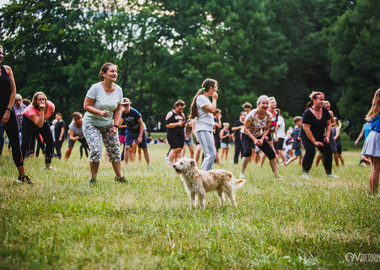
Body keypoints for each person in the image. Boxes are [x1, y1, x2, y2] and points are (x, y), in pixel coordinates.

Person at [82, 62, 126, 184]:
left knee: (115, 150)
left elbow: (118, 109)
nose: (114, 73)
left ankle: (119, 177)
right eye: (111, 71)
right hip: (92, 123)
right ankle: (93, 179)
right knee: (96, 150)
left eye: (116, 71)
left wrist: (115, 125)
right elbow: (86, 106)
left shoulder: (118, 90)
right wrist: (99, 112)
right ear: (103, 74)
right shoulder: (95, 88)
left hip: (108, 125)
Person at [0, 44, 32, 184]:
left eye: (2, 52)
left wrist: (8, 110)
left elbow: (13, 92)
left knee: (15, 142)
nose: (1, 55)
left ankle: (22, 176)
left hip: (7, 110)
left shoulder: (7, 70)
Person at [239, 95, 282, 178]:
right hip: (246, 134)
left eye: (267, 103)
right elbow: (246, 129)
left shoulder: (269, 115)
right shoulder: (251, 115)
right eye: (263, 103)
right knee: (247, 152)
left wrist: (262, 139)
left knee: (271, 154)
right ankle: (242, 173)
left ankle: (276, 174)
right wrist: (254, 139)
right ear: (258, 105)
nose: (265, 105)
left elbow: (266, 129)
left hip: (258, 134)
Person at [301, 91, 338, 179]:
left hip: (320, 134)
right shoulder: (307, 113)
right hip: (307, 135)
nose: (322, 101)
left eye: (323, 99)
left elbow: (329, 124)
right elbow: (306, 129)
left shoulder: (325, 110)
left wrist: (327, 136)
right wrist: (314, 142)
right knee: (310, 151)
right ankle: (305, 172)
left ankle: (329, 173)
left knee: (328, 151)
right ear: (314, 100)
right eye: (320, 100)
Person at [189, 78, 218, 171]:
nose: (217, 89)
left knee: (210, 155)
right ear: (211, 88)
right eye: (216, 87)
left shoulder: (205, 98)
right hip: (203, 128)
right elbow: (212, 110)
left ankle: (208, 178)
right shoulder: (201, 98)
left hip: (208, 129)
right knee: (210, 155)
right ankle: (201, 177)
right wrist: (214, 99)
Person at [21, 91, 55, 170]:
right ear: (35, 101)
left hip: (42, 120)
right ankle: (20, 163)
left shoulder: (50, 105)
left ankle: (48, 165)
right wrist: (42, 110)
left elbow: (51, 112)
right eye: (39, 100)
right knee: (25, 143)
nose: (42, 101)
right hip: (28, 120)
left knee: (50, 141)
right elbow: (39, 125)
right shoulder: (31, 109)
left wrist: (45, 118)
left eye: (43, 99)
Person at [120, 97, 153, 169]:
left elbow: (141, 124)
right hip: (130, 131)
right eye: (124, 105)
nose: (126, 106)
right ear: (121, 106)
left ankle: (149, 164)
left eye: (127, 105)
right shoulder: (121, 113)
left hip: (139, 130)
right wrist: (120, 113)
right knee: (127, 147)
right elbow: (119, 124)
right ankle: (126, 165)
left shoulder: (134, 112)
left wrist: (140, 136)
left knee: (145, 148)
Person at [361, 88, 380, 196]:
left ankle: (371, 192)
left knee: (375, 168)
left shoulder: (374, 110)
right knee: (376, 168)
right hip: (378, 136)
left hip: (373, 136)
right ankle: (374, 193)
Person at [165, 99, 186, 165]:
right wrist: (177, 124)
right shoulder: (171, 113)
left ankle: (177, 165)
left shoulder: (182, 114)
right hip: (173, 134)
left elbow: (183, 123)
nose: (180, 110)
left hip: (181, 134)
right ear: (176, 106)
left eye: (181, 108)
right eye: (179, 108)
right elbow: (167, 125)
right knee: (175, 149)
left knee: (180, 149)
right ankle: (168, 164)